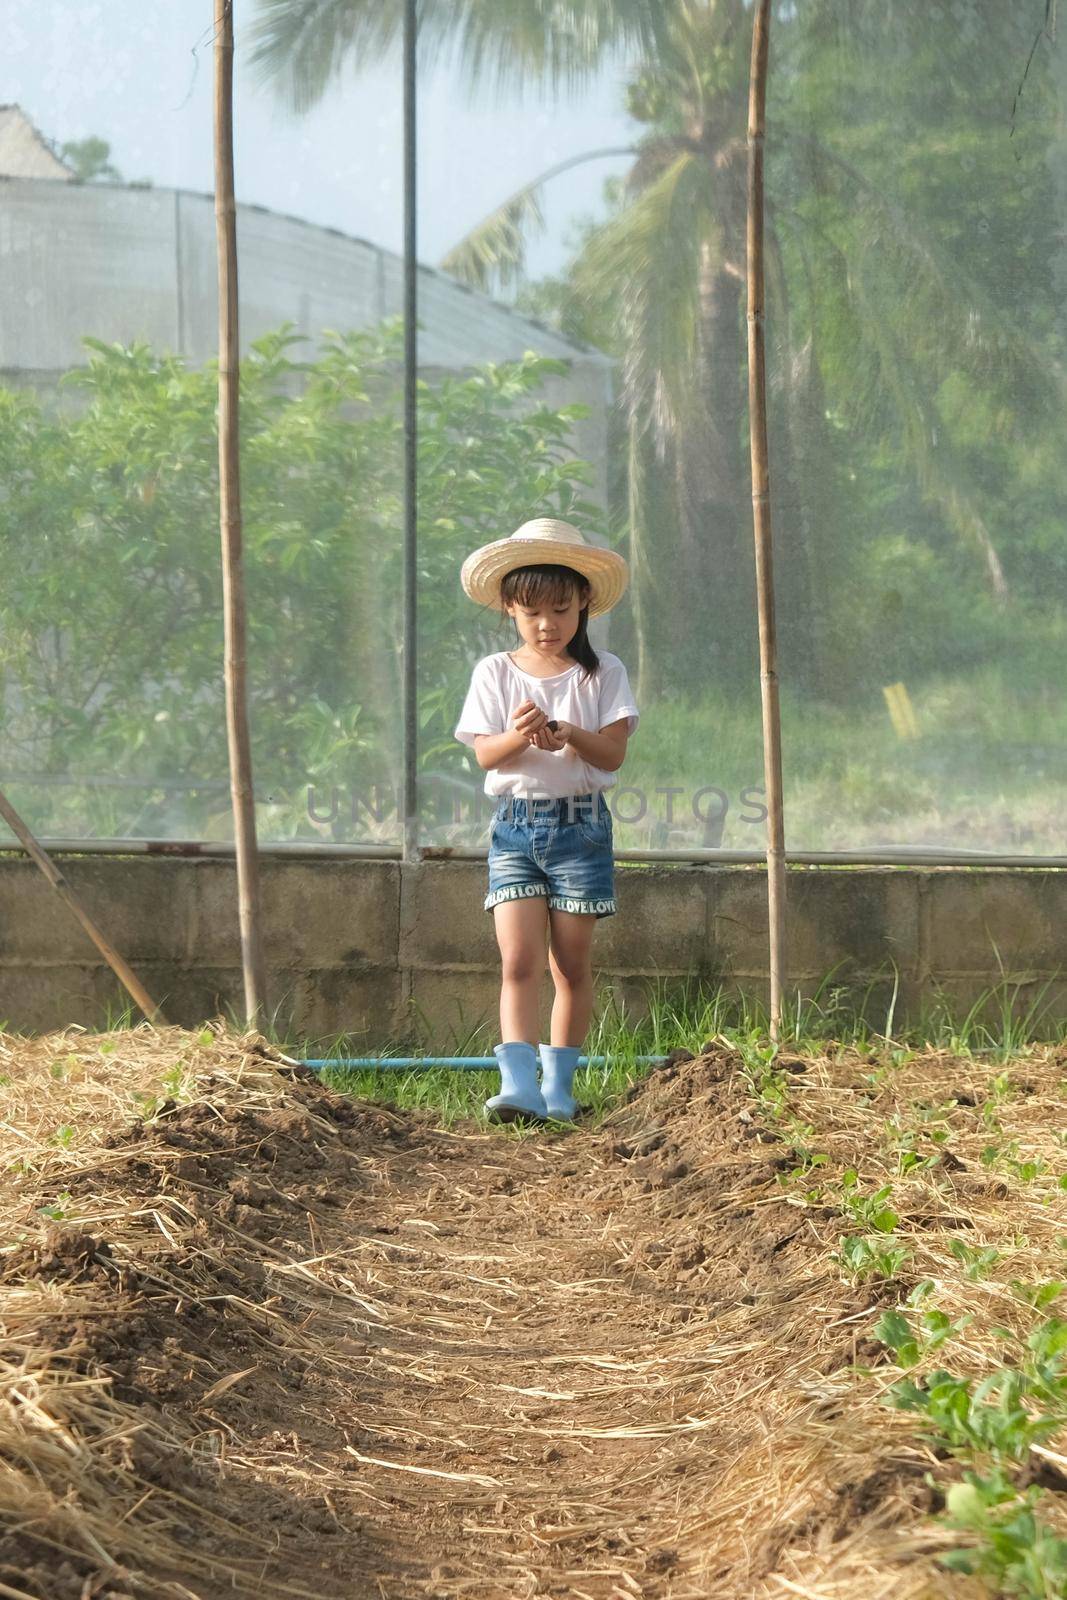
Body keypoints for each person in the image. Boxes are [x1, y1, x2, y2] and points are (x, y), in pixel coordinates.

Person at [454, 517, 638, 1124]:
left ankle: (559, 1089)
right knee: (518, 960)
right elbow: (485, 754)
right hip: (514, 828)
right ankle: (519, 1086)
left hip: (581, 829)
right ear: (509, 606)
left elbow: (612, 753)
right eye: (532, 610)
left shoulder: (601, 671)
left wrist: (569, 734)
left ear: (585, 603)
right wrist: (520, 734)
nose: (547, 624)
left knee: (570, 964)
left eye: (560, 609)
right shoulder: (494, 672)